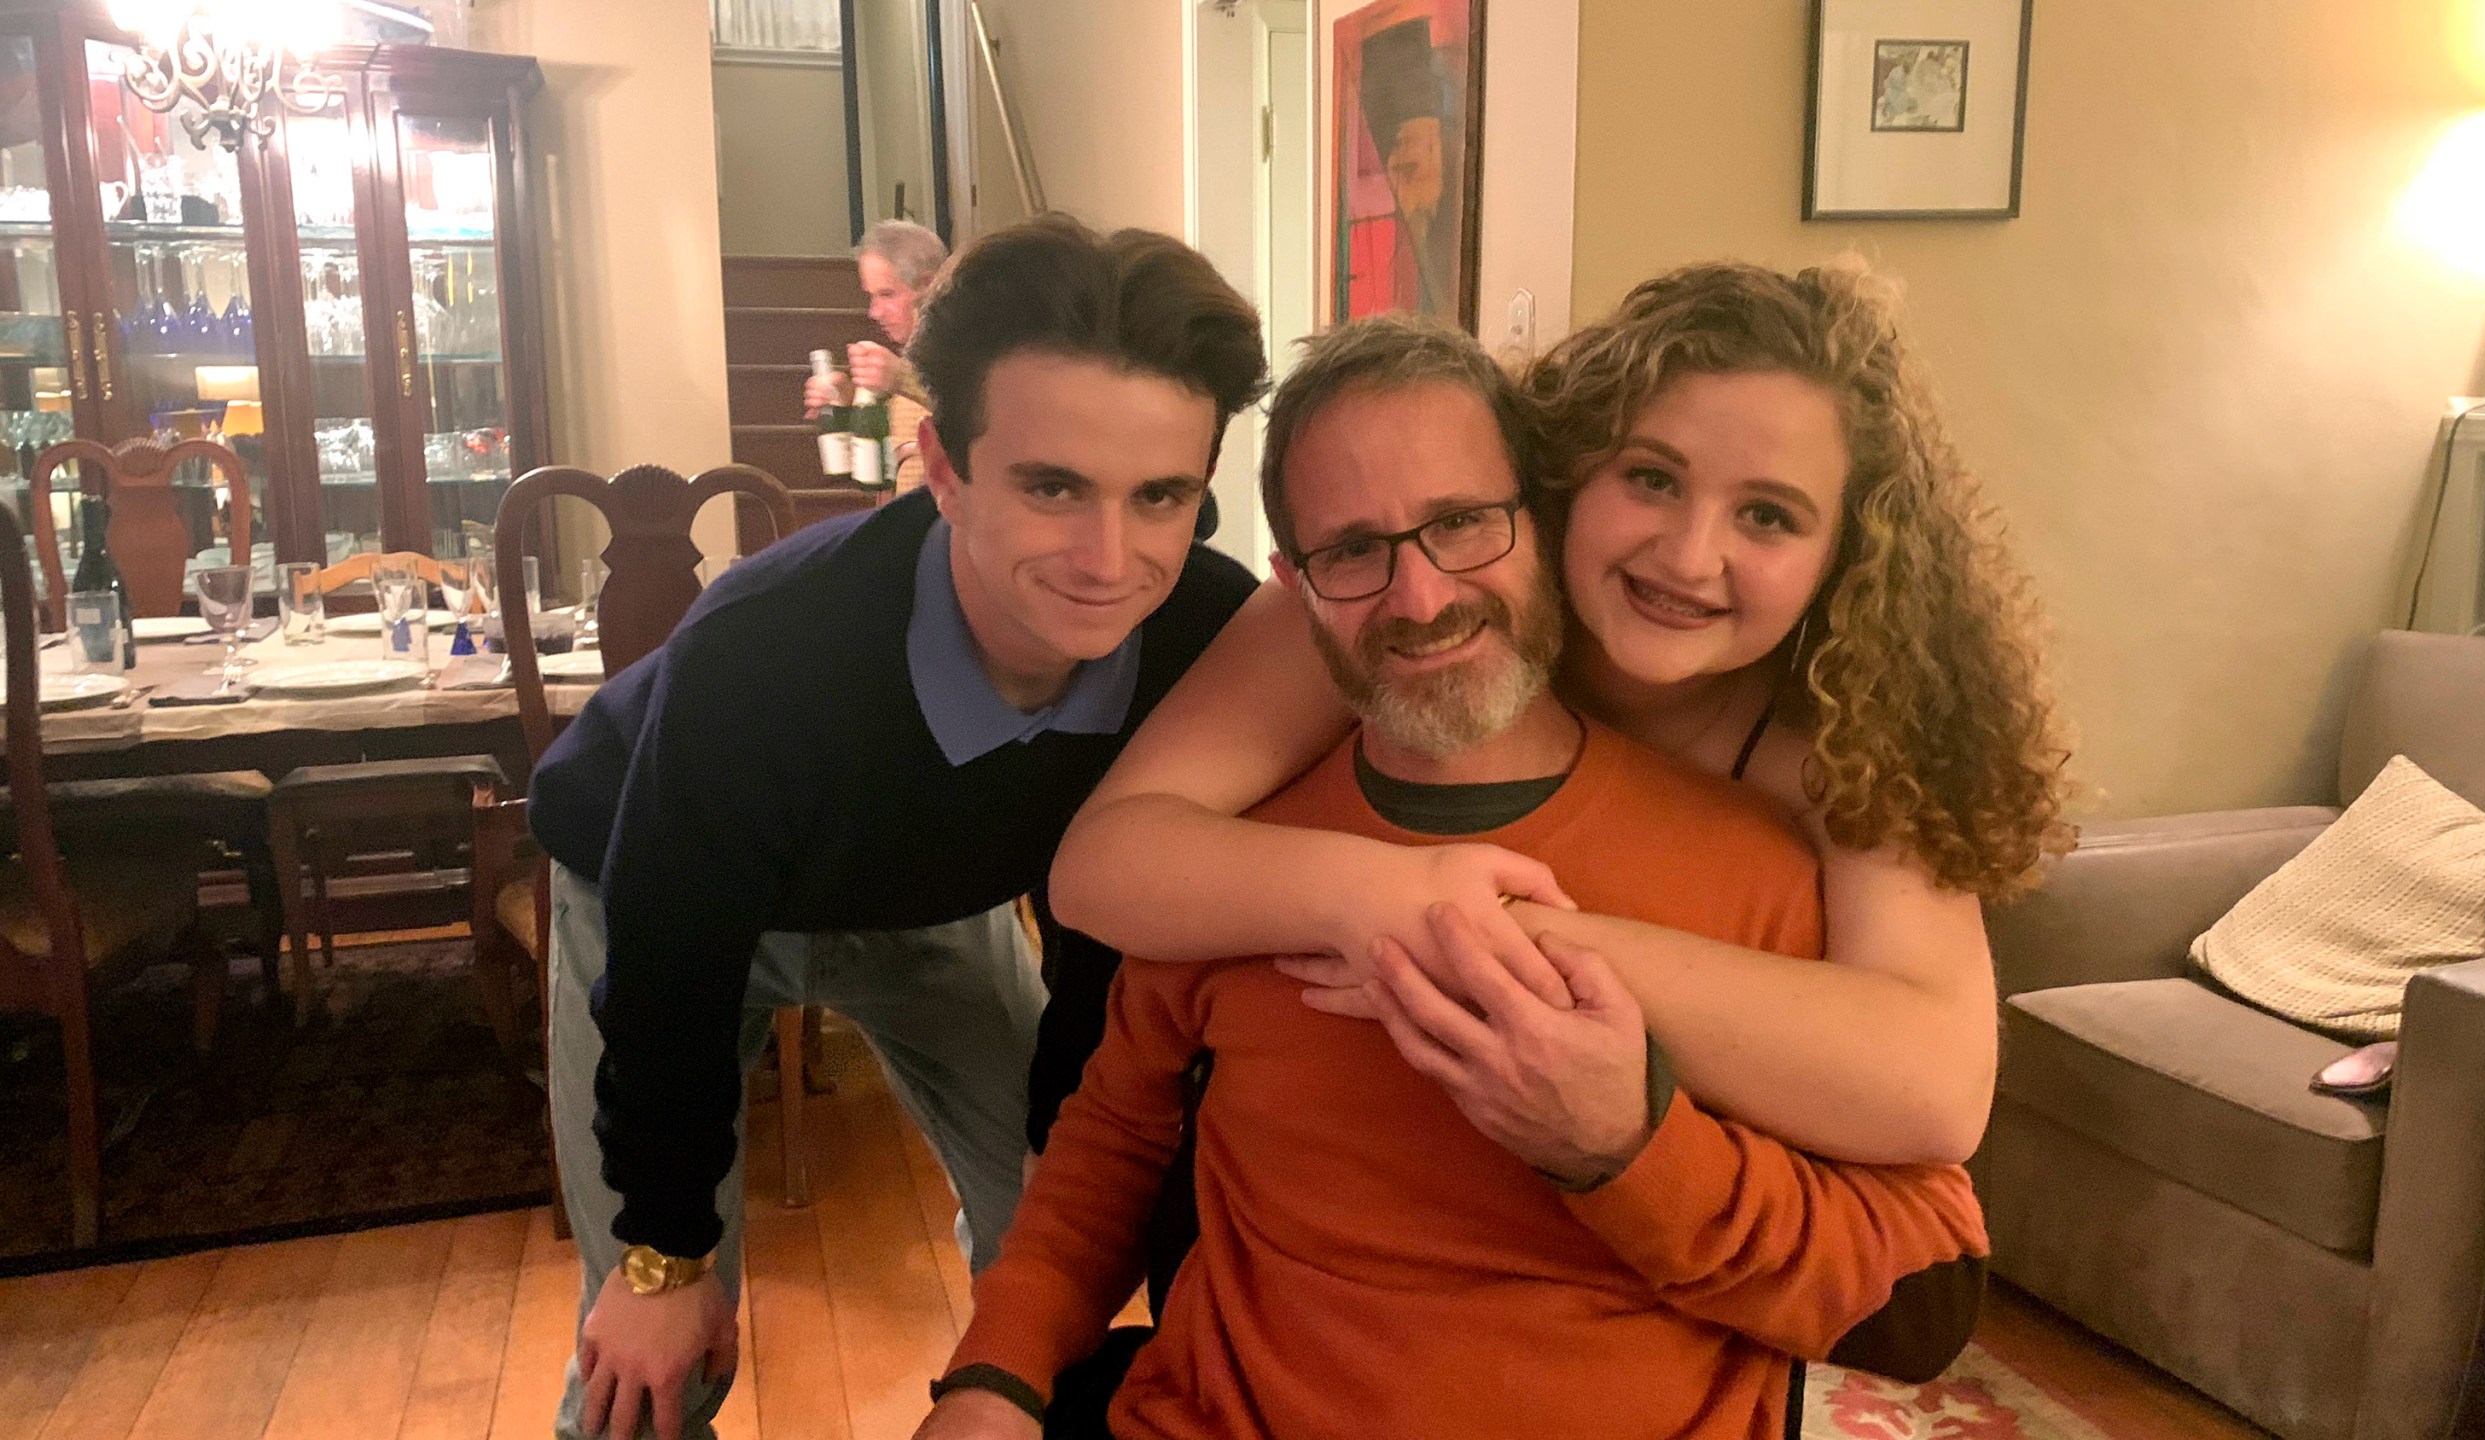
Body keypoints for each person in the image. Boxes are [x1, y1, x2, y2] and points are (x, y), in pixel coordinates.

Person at [916, 316, 1989, 1440]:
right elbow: (1108, 1153)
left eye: (1463, 523)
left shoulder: (1769, 856)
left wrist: (1625, 1144)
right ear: (1298, 581)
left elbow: (1919, 1293)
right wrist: (997, 1379)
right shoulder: (1235, 869)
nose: (1419, 599)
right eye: (1352, 552)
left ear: (1538, 523)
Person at [1047, 259, 2074, 1171]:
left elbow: (1932, 1090)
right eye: (1651, 479)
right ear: (1563, 475)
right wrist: (1382, 891)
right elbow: (1105, 866)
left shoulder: (1849, 728)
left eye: (1767, 515)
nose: (1685, 556)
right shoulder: (1425, 598)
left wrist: (1486, 936)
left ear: (1844, 554)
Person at [531, 213, 1267, 1440]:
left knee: (1058, 1225)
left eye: (1161, 496)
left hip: (928, 903)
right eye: (1050, 487)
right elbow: (669, 962)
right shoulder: (765, 650)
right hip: (655, 895)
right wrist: (664, 1254)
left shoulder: (1203, 637)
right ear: (942, 466)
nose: (1111, 558)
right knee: (650, 1352)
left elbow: (1110, 939)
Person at [804, 218, 949, 490]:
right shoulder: (913, 357)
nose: (874, 312)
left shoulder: (968, 348)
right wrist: (847, 401)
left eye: (887, 294)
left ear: (928, 285)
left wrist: (901, 378)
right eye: (871, 296)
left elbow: (977, 420)